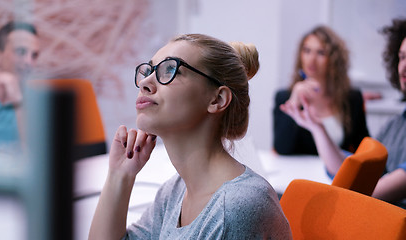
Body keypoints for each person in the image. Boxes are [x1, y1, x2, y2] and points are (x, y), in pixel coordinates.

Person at [89, 34, 292, 239]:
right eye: (149, 71)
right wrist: (119, 176)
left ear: (217, 99)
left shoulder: (234, 209)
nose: (145, 83)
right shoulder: (176, 191)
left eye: (170, 69)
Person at [273, 25, 370, 177]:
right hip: (298, 178)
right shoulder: (284, 96)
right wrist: (295, 100)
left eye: (320, 52)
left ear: (333, 59)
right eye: (307, 51)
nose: (311, 59)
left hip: (335, 178)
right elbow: (282, 148)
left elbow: (363, 150)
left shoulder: (352, 98)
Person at [371, 18, 406, 207]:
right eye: (401, 57)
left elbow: (369, 191)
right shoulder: (394, 125)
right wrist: (316, 125)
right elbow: (358, 167)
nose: (404, 67)